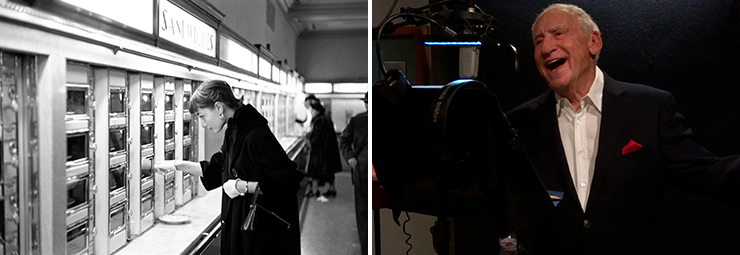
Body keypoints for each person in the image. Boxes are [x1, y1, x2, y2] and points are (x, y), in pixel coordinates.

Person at [506, 4, 740, 255]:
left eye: (558, 34)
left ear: (593, 42)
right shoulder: (520, 122)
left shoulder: (650, 107)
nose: (545, 47)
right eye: (538, 40)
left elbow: (706, 171)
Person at [154, 80, 303, 255]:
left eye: (202, 116)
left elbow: (288, 182)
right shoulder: (235, 130)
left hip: (261, 239)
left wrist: (243, 186)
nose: (202, 124)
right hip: (243, 228)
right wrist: (175, 165)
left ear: (218, 107)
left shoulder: (255, 134)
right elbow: (217, 168)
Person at [339, 92, 368, 255]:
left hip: (367, 171)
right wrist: (350, 158)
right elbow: (344, 141)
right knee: (363, 212)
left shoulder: (359, 121)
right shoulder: (357, 121)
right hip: (362, 172)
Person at [304, 100, 342, 199]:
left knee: (315, 172)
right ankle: (331, 189)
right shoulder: (326, 118)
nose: (311, 112)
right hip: (328, 150)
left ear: (316, 110)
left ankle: (315, 190)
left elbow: (315, 137)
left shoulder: (318, 120)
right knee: (329, 172)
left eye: (312, 110)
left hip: (320, 152)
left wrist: (308, 137)